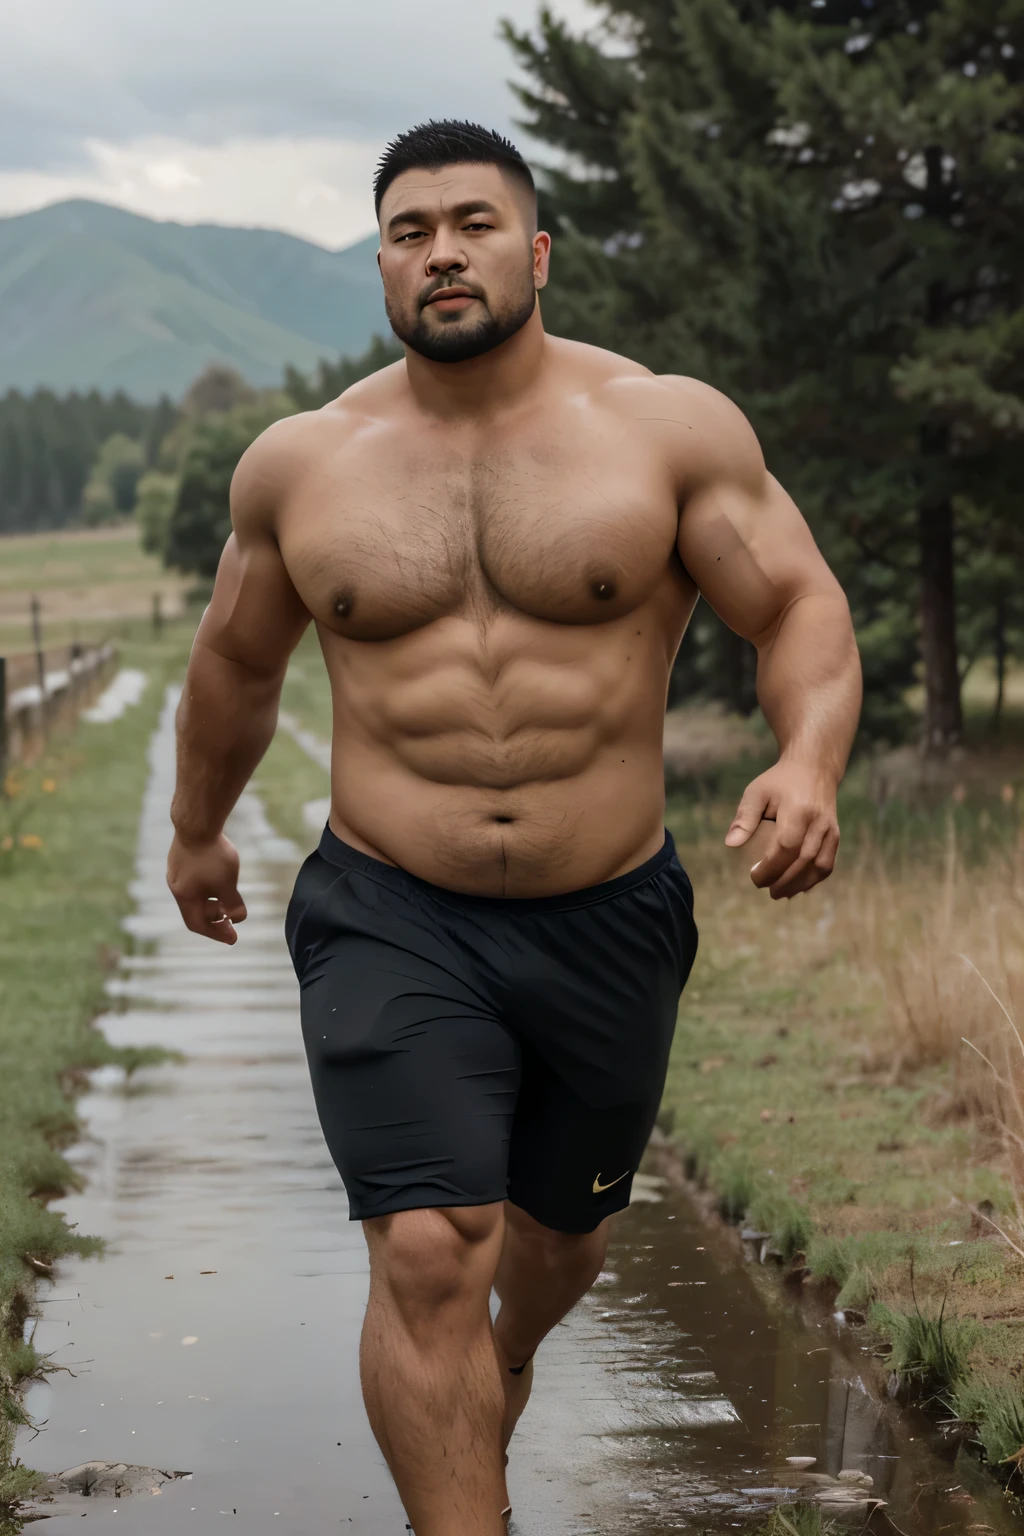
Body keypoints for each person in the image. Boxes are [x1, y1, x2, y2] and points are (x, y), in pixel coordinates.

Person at [167, 120, 862, 1536]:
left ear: (534, 252)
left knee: (558, 1240)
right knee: (429, 1249)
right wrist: (197, 830)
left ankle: (514, 1352)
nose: (442, 252)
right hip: (389, 909)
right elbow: (235, 664)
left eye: (472, 223)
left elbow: (795, 605)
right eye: (410, 231)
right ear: (381, 266)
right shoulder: (304, 466)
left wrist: (810, 760)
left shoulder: (666, 429)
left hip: (608, 912)